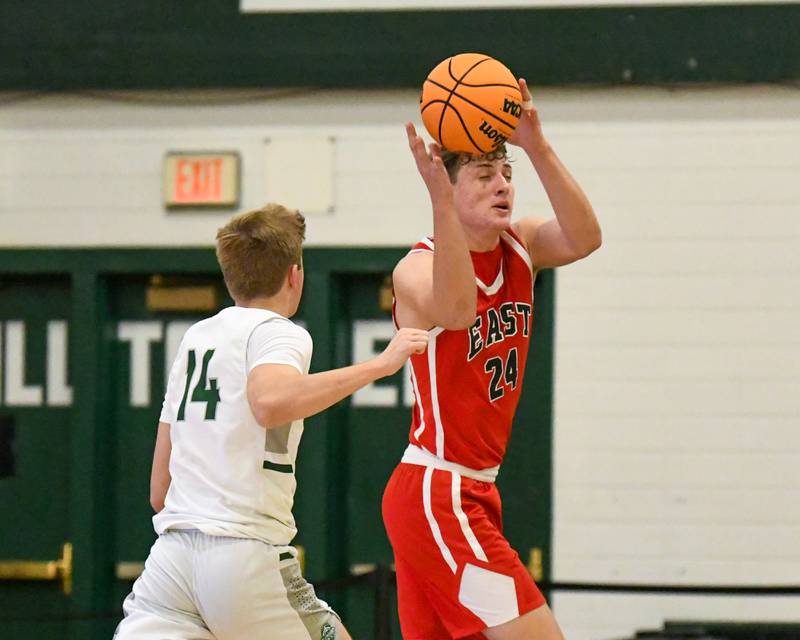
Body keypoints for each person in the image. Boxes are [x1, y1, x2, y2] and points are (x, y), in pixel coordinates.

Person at [114, 203, 428, 640]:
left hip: (171, 560)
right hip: (242, 555)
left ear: (230, 277)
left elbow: (159, 490)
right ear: (294, 275)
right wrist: (380, 365)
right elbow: (270, 400)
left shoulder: (196, 339)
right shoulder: (279, 332)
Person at [382, 79, 602, 640]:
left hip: (474, 489)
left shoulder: (522, 246)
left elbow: (585, 237)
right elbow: (456, 311)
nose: (503, 185)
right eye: (484, 175)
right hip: (439, 493)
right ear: (449, 191)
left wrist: (537, 145)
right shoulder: (414, 269)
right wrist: (438, 205)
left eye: (506, 174)